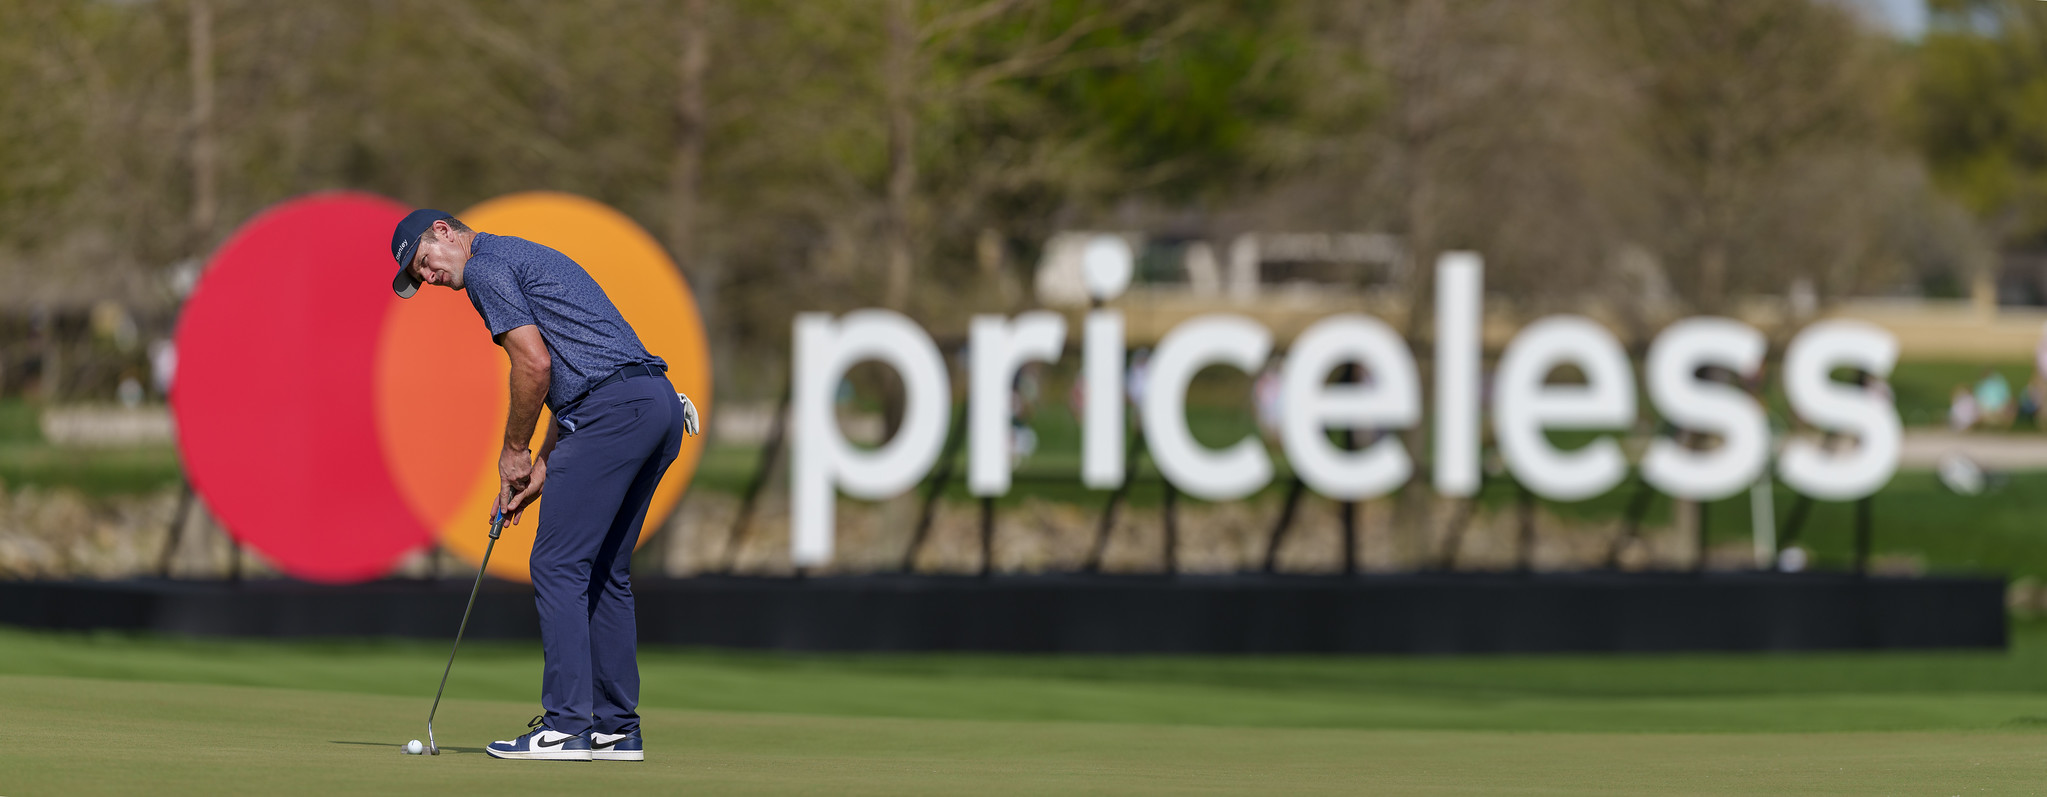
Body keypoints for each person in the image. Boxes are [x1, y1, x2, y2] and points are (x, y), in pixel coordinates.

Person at [388, 208, 692, 762]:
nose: (429, 279)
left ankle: (567, 725)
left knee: (557, 566)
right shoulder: (521, 254)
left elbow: (535, 365)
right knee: (605, 572)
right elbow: (579, 377)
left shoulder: (484, 268)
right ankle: (615, 728)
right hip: (655, 404)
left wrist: (513, 453)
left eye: (424, 264)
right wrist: (541, 468)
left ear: (444, 232)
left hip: (613, 413)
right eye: (420, 276)